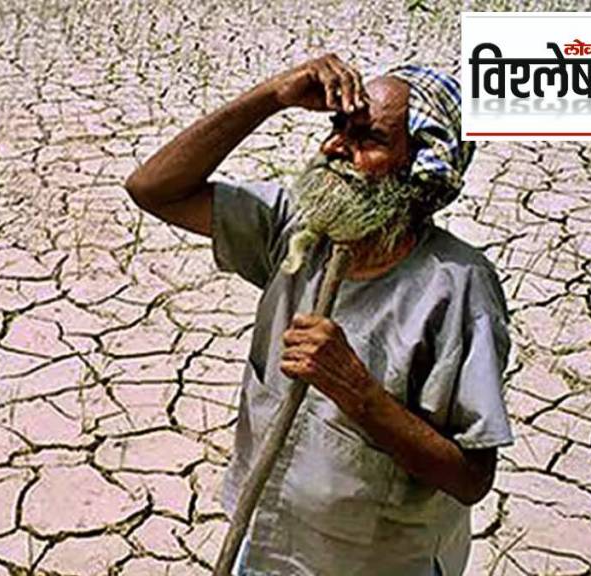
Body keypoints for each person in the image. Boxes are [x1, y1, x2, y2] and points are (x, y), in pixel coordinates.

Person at [124, 54, 514, 576]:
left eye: (367, 139)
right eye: (337, 129)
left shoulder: (458, 288)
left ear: (423, 168)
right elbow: (153, 189)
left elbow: (471, 476)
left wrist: (358, 391)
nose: (335, 149)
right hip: (263, 540)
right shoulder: (297, 229)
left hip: (375, 562)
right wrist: (271, 96)